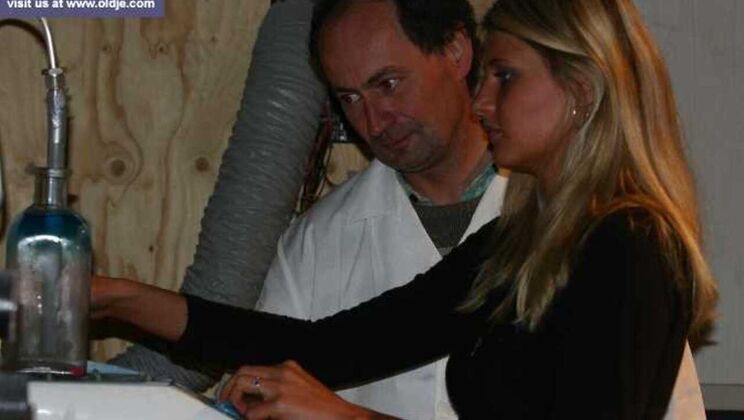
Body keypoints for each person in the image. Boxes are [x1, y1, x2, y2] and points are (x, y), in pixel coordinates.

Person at [92, 0, 718, 418]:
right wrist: (120, 298)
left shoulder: (628, 240)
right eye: (348, 97)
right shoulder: (521, 244)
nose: (483, 101)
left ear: (580, 91)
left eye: (505, 77)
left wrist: (345, 418)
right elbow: (329, 346)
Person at [248, 0, 506, 418]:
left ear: (456, 51)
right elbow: (263, 392)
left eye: (388, 84)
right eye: (350, 98)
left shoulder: (570, 219)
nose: (373, 123)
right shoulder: (315, 243)